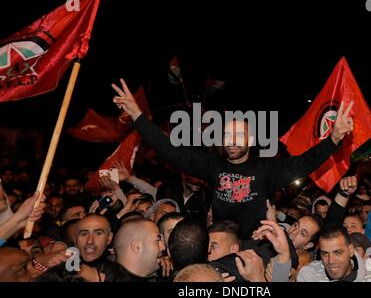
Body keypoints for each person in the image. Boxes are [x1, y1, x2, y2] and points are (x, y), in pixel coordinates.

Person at [112, 78, 354, 239]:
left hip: (257, 244)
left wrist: (333, 139)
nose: (233, 140)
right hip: (219, 242)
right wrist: (137, 116)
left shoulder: (266, 168)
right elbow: (170, 150)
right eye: (227, 135)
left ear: (250, 141)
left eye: (240, 135)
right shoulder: (212, 165)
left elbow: (305, 163)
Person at [296, 225, 371, 282]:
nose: (330, 261)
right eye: (325, 253)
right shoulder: (310, 274)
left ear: (351, 250)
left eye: (338, 252)